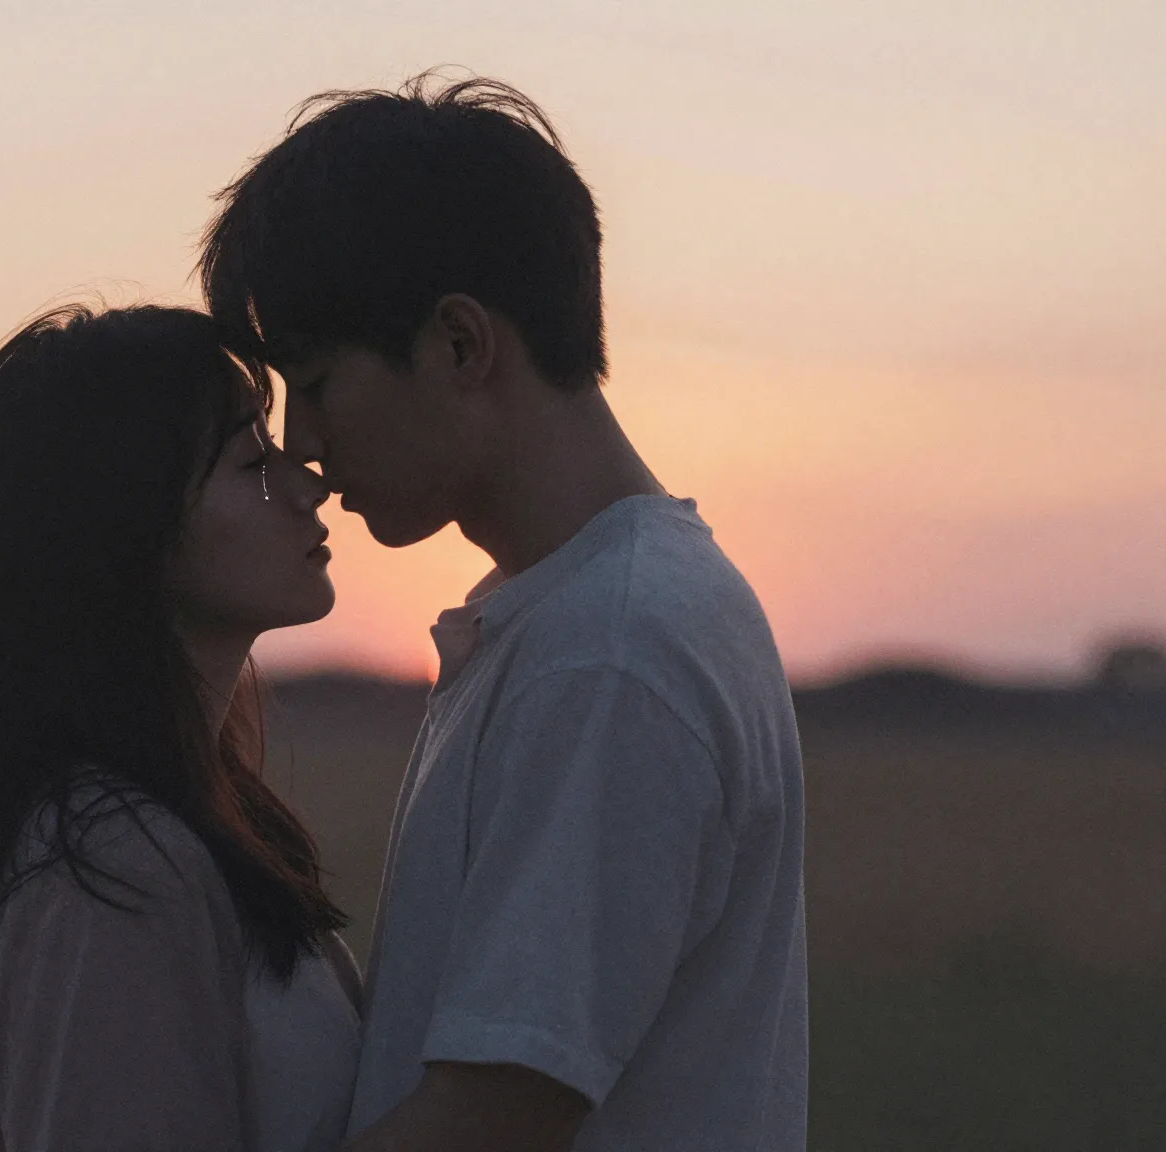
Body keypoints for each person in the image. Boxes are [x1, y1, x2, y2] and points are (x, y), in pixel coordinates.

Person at [199, 73, 809, 1151]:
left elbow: (490, 1118)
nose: (301, 444)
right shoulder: (584, 614)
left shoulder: (608, 652)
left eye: (319, 381)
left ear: (458, 345)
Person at [0, 304, 364, 1151]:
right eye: (252, 461)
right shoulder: (113, 875)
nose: (309, 484)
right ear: (128, 527)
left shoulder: (172, 833)